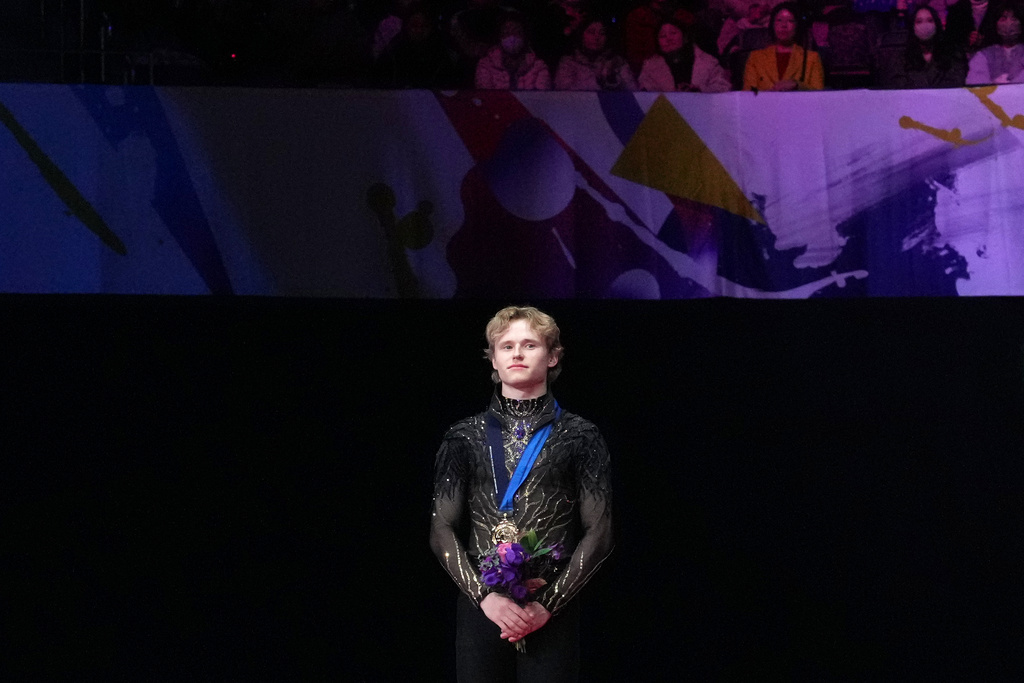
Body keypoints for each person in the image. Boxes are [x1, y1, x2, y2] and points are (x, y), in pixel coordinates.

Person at [430, 306, 613, 682]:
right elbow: (441, 527)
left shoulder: (581, 435)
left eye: (529, 345)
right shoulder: (462, 436)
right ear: (493, 359)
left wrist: (547, 606)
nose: (517, 353)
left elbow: (601, 531)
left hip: (551, 608)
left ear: (553, 356)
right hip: (483, 609)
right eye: (506, 345)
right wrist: (485, 598)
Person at [878, 4, 967, 87]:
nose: (925, 25)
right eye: (919, 21)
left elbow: (956, 84)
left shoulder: (953, 56)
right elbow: (897, 88)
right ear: (913, 27)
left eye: (930, 20)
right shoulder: (900, 59)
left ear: (936, 24)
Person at [742, 2, 825, 90]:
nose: (784, 25)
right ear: (772, 25)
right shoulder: (755, 58)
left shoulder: (811, 58)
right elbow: (748, 94)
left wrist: (797, 85)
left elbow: (818, 94)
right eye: (779, 20)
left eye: (790, 21)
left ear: (797, 25)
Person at [639, 18, 732, 91]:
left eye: (673, 33)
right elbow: (645, 95)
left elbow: (723, 86)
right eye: (663, 36)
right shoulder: (649, 67)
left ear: (684, 37)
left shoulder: (708, 62)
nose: (669, 38)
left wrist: (700, 90)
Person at [554, 16, 638, 90]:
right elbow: (563, 92)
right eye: (591, 32)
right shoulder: (568, 63)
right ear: (581, 35)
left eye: (602, 33)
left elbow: (633, 91)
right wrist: (600, 81)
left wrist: (614, 80)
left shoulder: (618, 63)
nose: (597, 37)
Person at [475, 14, 553, 89]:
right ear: (499, 37)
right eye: (506, 33)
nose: (511, 37)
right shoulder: (486, 65)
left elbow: (541, 98)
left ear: (525, 36)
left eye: (516, 32)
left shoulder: (538, 66)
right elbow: (485, 97)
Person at [966, 2, 1024, 83]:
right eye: (1003, 19)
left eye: (1014, 19)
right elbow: (976, 83)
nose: (1009, 23)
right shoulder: (983, 56)